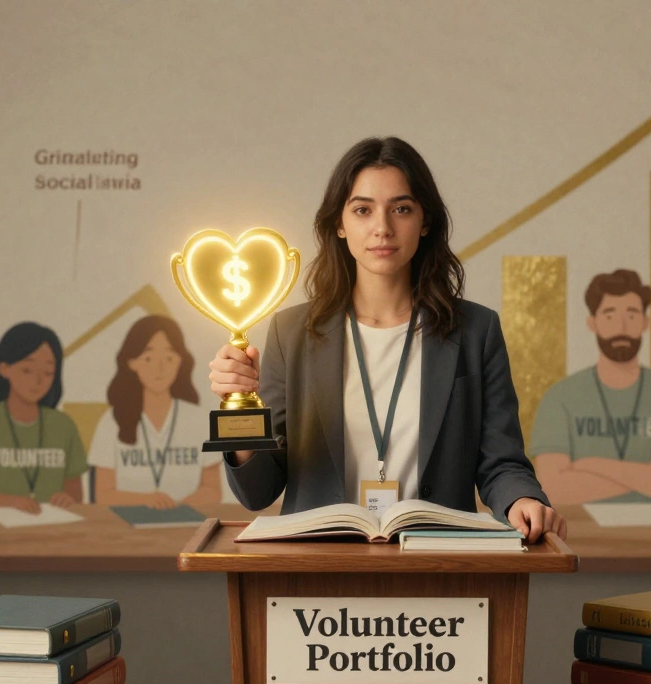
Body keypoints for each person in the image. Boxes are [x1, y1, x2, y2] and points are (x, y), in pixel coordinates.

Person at [208, 136, 564, 543]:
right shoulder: (291, 334)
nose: (382, 228)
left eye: (401, 209)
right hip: (317, 569)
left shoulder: (476, 330)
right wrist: (236, 411)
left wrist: (522, 499)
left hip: (441, 566)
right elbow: (257, 491)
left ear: (424, 221)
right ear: (339, 225)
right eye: (362, 210)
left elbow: (502, 463)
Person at [529, 269, 651, 504]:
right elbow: (554, 489)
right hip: (580, 535)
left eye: (631, 315)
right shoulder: (560, 398)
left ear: (645, 322)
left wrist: (592, 466)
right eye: (609, 315)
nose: (621, 326)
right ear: (593, 323)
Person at [0, 322, 87, 513]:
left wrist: (67, 499)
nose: (38, 381)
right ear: (4, 369)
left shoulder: (63, 426)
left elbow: (76, 495)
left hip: (51, 531)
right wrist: (10, 502)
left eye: (48, 373)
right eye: (27, 370)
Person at [89, 315, 222, 508]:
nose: (159, 368)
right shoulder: (111, 421)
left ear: (180, 361)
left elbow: (212, 490)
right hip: (126, 530)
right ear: (132, 362)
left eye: (169, 357)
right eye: (148, 358)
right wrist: (146, 500)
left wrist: (178, 509)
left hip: (187, 525)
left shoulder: (199, 420)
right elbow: (103, 495)